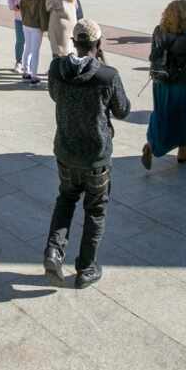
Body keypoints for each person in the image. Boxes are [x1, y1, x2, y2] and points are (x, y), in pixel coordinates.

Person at [43, 19, 130, 290]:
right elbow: (123, 110)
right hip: (96, 157)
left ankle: (54, 252)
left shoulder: (57, 69)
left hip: (67, 150)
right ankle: (86, 268)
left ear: (74, 42)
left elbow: (55, 96)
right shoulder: (106, 75)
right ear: (98, 43)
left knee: (66, 199)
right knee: (95, 210)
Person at [144, 0, 186, 167]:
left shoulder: (158, 30)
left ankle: (151, 145)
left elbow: (153, 56)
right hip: (185, 82)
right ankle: (182, 152)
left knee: (162, 114)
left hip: (161, 81)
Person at [19, 0, 50, 86]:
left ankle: (26, 70)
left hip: (26, 23)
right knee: (35, 50)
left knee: (27, 48)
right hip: (36, 25)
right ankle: (34, 75)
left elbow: (22, 7)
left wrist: (24, 18)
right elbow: (43, 13)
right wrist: (44, 27)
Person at [7, 0, 37, 74]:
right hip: (20, 18)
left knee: (33, 43)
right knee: (20, 41)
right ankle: (18, 62)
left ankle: (29, 64)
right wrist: (13, 5)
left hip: (34, 19)